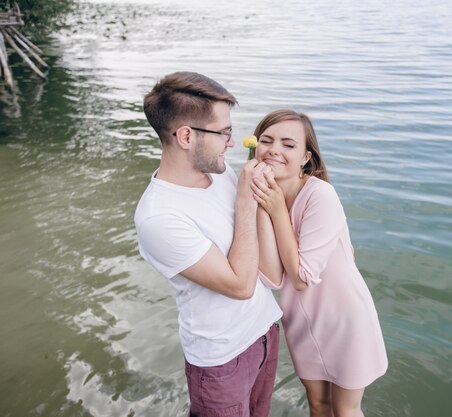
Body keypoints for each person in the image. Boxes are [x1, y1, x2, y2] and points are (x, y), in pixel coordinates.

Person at [134, 72, 282, 417]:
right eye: (224, 132)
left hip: (263, 332)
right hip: (222, 360)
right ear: (186, 136)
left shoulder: (218, 172)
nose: (231, 143)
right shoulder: (159, 217)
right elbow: (241, 285)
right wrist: (246, 200)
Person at [250, 109, 388, 417]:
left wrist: (276, 212)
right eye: (267, 140)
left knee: (345, 411)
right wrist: (263, 205)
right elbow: (272, 277)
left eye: (288, 144)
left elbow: (301, 276)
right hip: (300, 321)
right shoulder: (264, 196)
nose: (274, 149)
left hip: (343, 319)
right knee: (317, 405)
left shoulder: (320, 196)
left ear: (305, 157)